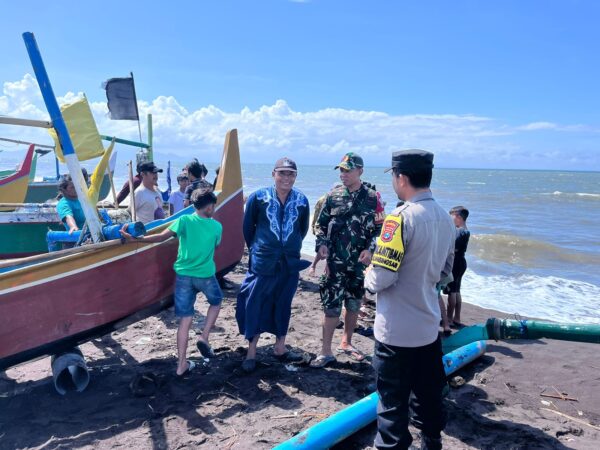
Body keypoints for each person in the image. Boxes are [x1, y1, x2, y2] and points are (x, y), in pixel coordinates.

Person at [364, 149, 455, 450]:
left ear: (401, 177)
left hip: (396, 332)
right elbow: (445, 272)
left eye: (393, 175)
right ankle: (432, 442)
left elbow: (382, 279)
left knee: (391, 403)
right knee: (428, 396)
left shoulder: (399, 218)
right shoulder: (445, 217)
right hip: (428, 326)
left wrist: (368, 274)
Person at [120, 189, 223, 375]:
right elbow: (215, 245)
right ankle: (204, 336)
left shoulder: (183, 221)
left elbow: (160, 238)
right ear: (209, 207)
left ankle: (181, 364)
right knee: (216, 302)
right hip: (205, 275)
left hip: (184, 276)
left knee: (185, 320)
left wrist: (136, 239)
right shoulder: (216, 226)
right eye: (213, 206)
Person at [235, 157, 310, 373]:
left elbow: (302, 230)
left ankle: (280, 346)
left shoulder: (302, 200)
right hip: (264, 261)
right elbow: (248, 228)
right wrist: (260, 249)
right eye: (282, 173)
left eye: (291, 173)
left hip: (289, 262)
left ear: (295, 176)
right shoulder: (258, 197)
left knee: (283, 302)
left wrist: (288, 247)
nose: (286, 177)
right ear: (273, 174)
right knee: (254, 301)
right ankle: (251, 350)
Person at [311, 152, 382, 368]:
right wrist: (321, 244)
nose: (343, 174)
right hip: (334, 264)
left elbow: (380, 230)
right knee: (331, 307)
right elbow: (319, 225)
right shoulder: (332, 196)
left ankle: (347, 342)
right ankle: (325, 352)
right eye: (341, 170)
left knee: (353, 305)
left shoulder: (372, 198)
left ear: (360, 171)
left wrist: (370, 250)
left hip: (358, 265)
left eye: (348, 170)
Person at [445, 206, 470, 328]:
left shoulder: (459, 231)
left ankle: (449, 319)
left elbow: (452, 247)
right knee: (457, 290)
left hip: (455, 262)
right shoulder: (466, 230)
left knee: (452, 291)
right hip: (462, 261)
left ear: (459, 217)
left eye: (452, 216)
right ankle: (457, 317)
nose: (451, 219)